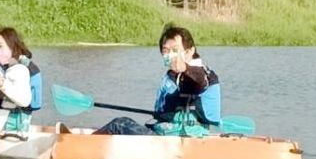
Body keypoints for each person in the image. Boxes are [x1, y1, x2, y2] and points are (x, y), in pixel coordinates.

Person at [91, 24, 220, 136]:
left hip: (180, 138)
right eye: (165, 50)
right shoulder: (173, 75)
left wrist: (185, 68)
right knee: (127, 124)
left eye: (175, 50)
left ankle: (83, 146)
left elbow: (199, 82)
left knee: (119, 124)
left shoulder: (198, 74)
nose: (169, 55)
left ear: (190, 51)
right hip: (169, 133)